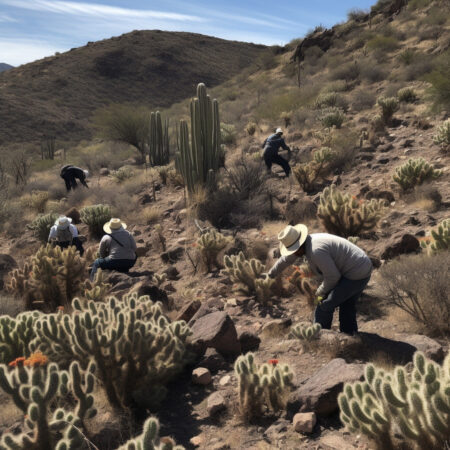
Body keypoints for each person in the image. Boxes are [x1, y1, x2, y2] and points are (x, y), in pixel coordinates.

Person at [268, 224, 372, 335]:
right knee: (347, 305)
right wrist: (271, 273)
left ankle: (320, 337)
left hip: (356, 273)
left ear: (298, 246)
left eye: (293, 250)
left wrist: (320, 292)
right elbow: (286, 259)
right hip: (362, 266)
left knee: (325, 304)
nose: (292, 253)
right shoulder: (307, 242)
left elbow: (333, 277)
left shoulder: (316, 251)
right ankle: (350, 336)